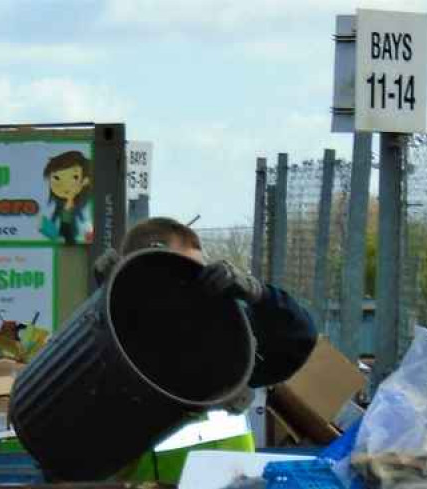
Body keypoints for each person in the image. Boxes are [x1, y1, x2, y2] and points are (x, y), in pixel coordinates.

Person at [94, 217, 317, 400]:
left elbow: (299, 340)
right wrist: (106, 301)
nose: (193, 290)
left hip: (222, 453)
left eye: (198, 275)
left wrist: (258, 294)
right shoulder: (107, 340)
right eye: (181, 275)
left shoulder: (217, 335)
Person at [43, 151, 93, 245]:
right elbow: (56, 213)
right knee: (65, 233)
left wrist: (86, 224)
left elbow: (79, 214)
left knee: (71, 235)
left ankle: (70, 241)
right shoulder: (60, 203)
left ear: (85, 181)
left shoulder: (78, 202)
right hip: (63, 223)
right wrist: (51, 223)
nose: (65, 185)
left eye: (75, 177)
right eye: (56, 178)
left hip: (72, 224)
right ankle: (67, 240)